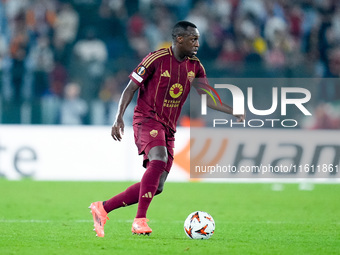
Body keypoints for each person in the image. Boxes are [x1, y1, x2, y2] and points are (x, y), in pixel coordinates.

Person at [89, 21, 244, 237]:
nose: (198, 43)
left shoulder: (195, 66)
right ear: (180, 39)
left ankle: (102, 208)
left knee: (157, 186)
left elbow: (207, 98)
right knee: (159, 158)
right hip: (146, 118)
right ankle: (139, 221)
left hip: (168, 127)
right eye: (194, 39)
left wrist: (232, 109)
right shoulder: (156, 59)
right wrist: (118, 118)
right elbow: (130, 87)